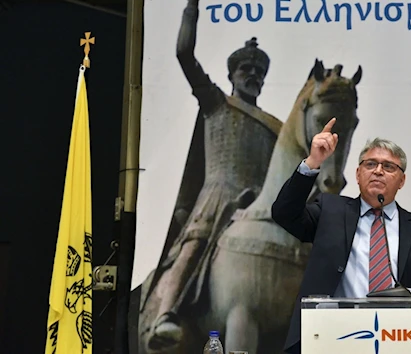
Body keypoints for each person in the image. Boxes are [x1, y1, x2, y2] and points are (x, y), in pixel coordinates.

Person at [143, 0, 282, 351]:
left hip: (258, 207)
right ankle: (168, 313)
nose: (252, 75)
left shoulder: (275, 127)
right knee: (195, 245)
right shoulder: (216, 102)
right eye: (245, 69)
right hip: (218, 197)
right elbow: (184, 54)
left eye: (258, 71)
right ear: (232, 75)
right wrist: (191, 9)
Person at [271, 118, 411, 354]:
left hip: (403, 343)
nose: (378, 171)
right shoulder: (330, 211)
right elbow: (284, 213)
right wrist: (313, 162)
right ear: (358, 174)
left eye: (389, 166)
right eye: (370, 164)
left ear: (401, 181)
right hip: (331, 340)